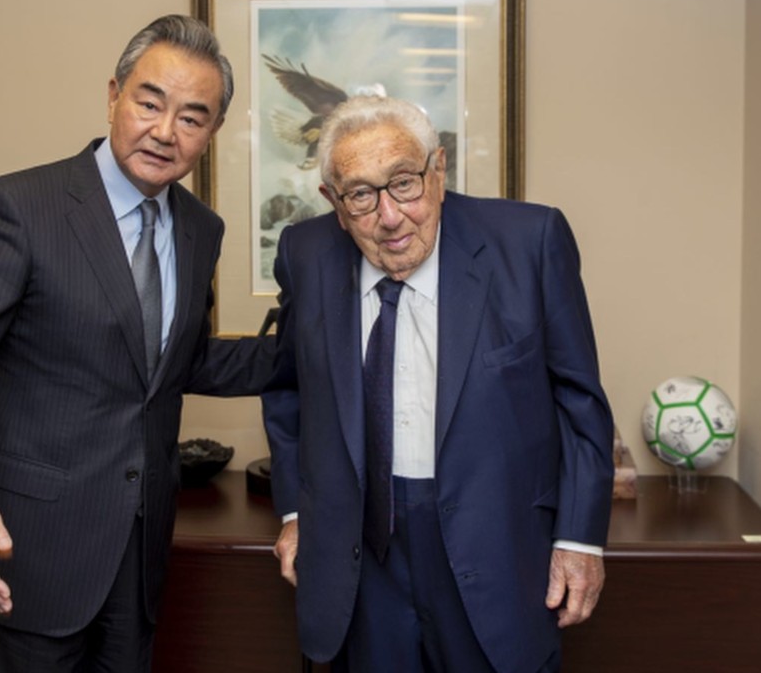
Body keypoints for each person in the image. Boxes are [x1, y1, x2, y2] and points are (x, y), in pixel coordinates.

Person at [0, 15, 272, 672]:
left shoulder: (199, 230)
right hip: (31, 547)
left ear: (212, 133)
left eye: (192, 117)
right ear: (113, 95)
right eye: (149, 102)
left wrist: (323, 346)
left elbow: (172, 359)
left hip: (138, 555)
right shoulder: (20, 208)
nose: (164, 131)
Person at [262, 95, 614, 673]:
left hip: (496, 544)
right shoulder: (306, 253)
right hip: (359, 551)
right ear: (334, 202)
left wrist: (579, 540)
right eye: (361, 195)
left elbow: (579, 402)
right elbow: (288, 388)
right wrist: (295, 512)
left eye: (404, 182)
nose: (390, 216)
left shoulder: (530, 242)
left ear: (439, 170)